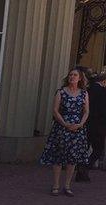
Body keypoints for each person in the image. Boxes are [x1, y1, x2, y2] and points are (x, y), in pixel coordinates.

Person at [40, 68, 90, 196]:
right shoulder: (61, 92)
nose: (72, 77)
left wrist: (80, 124)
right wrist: (64, 123)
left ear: (80, 78)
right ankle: (56, 184)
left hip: (77, 128)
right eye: (70, 75)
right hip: (62, 127)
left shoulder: (84, 93)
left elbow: (86, 111)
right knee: (58, 156)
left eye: (75, 75)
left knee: (72, 158)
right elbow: (55, 110)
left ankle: (67, 185)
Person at [86, 72, 106, 172]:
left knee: (86, 146)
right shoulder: (102, 91)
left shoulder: (88, 89)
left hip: (87, 121)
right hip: (99, 123)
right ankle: (87, 166)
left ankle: (81, 166)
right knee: (98, 148)